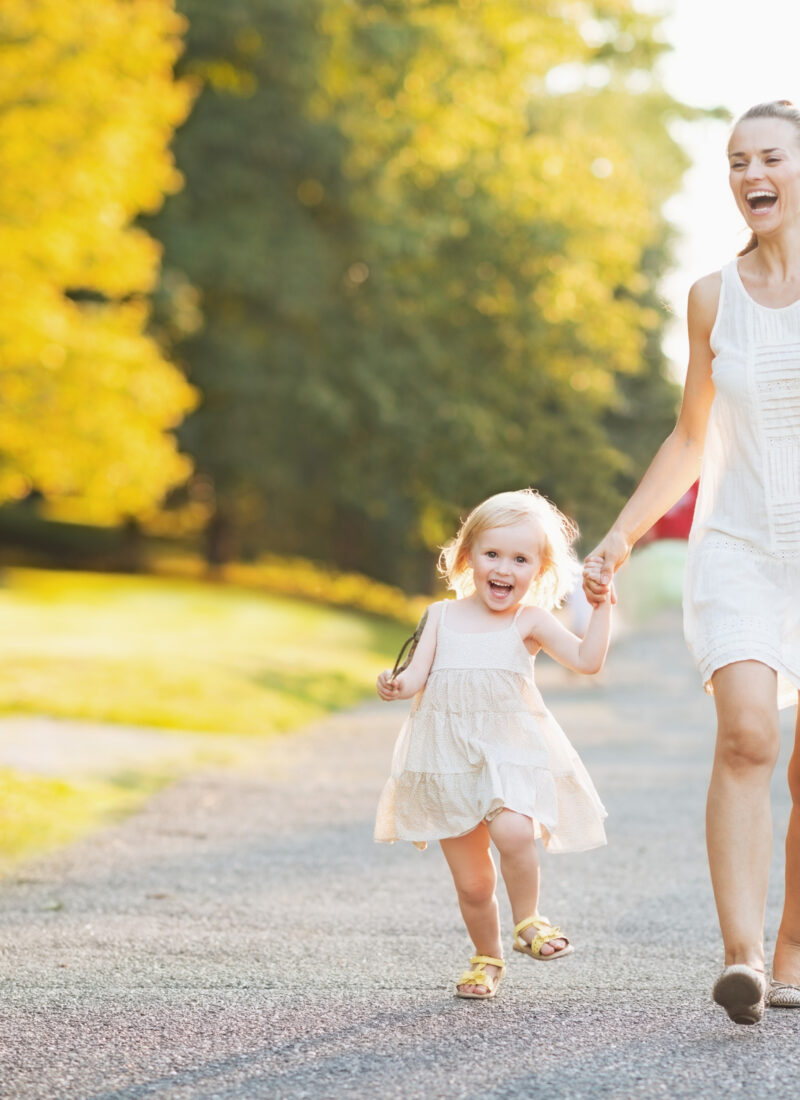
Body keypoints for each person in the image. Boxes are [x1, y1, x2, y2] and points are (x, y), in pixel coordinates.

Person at [583, 100, 800, 1025]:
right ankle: (743, 957)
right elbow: (689, 435)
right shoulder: (712, 295)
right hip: (742, 546)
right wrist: (620, 536)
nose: (753, 173)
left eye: (772, 158)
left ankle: (793, 951)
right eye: (738, 160)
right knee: (749, 733)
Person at [375, 489, 612, 999]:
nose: (504, 568)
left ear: (539, 570)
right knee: (474, 886)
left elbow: (587, 661)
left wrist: (601, 609)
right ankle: (487, 959)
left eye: (520, 559)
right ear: (468, 558)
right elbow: (415, 677)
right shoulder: (440, 616)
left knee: (514, 832)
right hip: (449, 764)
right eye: (492, 554)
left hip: (508, 756)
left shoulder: (528, 620)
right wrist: (394, 685)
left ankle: (528, 921)